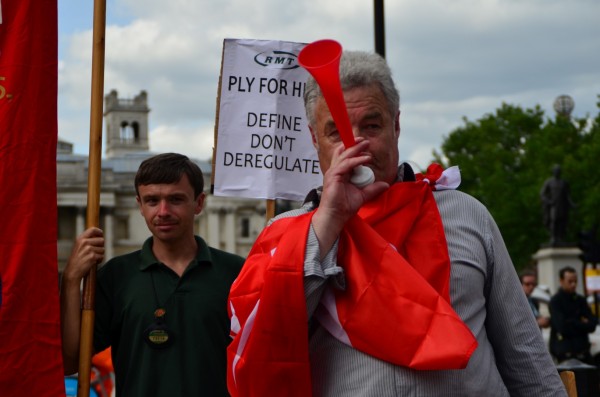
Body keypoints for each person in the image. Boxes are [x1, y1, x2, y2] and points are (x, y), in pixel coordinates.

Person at [226, 50, 566, 396]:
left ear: (397, 126)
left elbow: (525, 355)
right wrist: (327, 224)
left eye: (371, 126)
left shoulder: (467, 214)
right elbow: (266, 341)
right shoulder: (285, 234)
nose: (356, 144)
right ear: (315, 140)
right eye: (336, 132)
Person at [60, 153, 244, 396]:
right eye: (152, 201)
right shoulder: (116, 276)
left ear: (199, 203)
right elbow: (71, 361)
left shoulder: (237, 272)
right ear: (140, 205)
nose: (163, 211)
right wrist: (71, 280)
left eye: (176, 199)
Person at [549, 266, 598, 363]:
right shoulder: (556, 301)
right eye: (570, 281)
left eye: (575, 281)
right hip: (565, 353)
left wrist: (572, 322)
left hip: (583, 351)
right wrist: (581, 322)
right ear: (562, 281)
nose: (573, 284)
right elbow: (562, 327)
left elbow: (592, 324)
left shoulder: (580, 300)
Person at [540, 164, 574, 245]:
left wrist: (572, 204)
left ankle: (560, 238)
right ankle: (553, 237)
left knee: (562, 221)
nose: (557, 172)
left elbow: (567, 196)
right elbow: (542, 194)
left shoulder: (564, 183)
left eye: (558, 171)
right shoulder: (549, 182)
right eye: (556, 171)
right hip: (553, 205)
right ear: (553, 172)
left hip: (562, 205)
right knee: (554, 220)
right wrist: (548, 201)